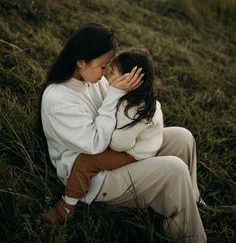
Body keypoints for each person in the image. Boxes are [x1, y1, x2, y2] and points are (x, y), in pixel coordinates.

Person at [39, 22, 213, 243]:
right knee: (173, 168)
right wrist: (114, 94)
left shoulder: (92, 80)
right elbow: (94, 144)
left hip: (114, 152)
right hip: (91, 176)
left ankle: (190, 199)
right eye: (103, 66)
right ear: (81, 62)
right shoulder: (58, 99)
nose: (106, 74)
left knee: (182, 137)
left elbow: (119, 117)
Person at [43, 48, 164, 224]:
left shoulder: (133, 109)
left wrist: (114, 97)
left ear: (131, 79)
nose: (108, 76)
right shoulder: (134, 98)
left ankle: (66, 207)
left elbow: (119, 145)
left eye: (113, 72)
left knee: (85, 162)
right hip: (138, 145)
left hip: (133, 153)